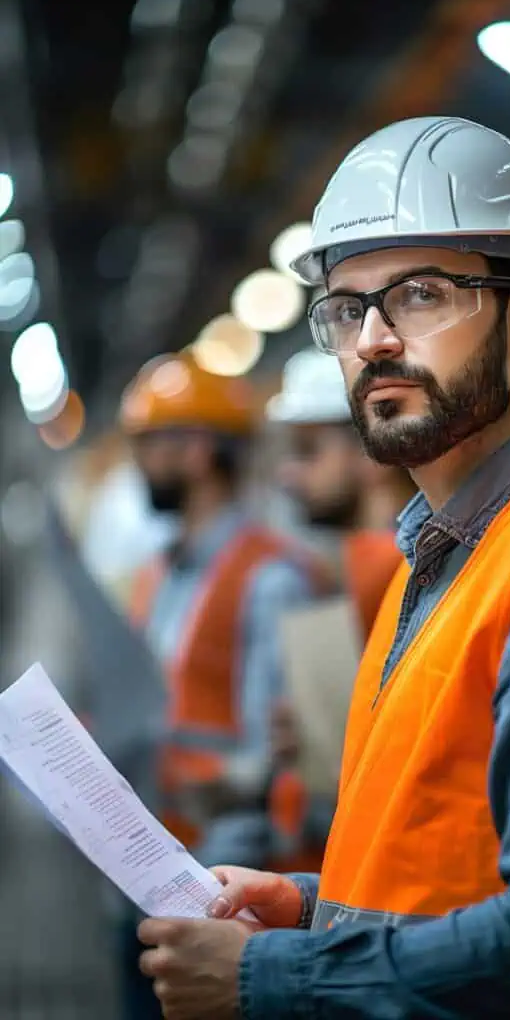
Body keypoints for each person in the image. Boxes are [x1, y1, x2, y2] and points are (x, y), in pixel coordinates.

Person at [137, 117, 510, 1020]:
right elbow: (441, 869)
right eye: (348, 308)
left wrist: (262, 977)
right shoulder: (436, 562)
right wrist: (307, 908)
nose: (374, 340)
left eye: (420, 295)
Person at [117, 350, 318, 1018]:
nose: (140, 462)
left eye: (151, 444)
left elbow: (284, 749)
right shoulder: (158, 574)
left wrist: (226, 783)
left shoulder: (270, 578)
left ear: (198, 449)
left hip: (220, 879)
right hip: (148, 861)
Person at [264, 347, 410, 872]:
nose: (287, 474)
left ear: (372, 454)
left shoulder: (395, 573)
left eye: (308, 451)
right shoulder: (348, 569)